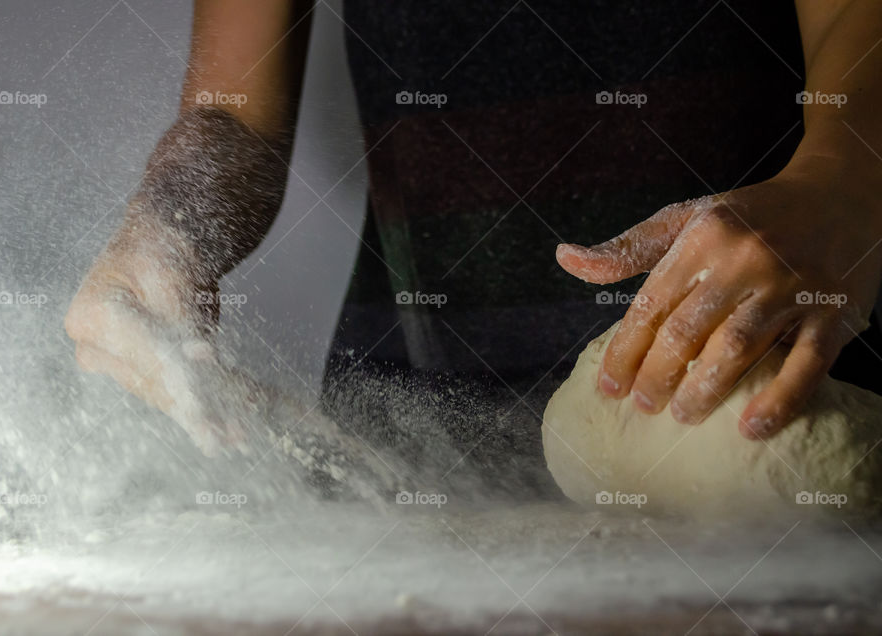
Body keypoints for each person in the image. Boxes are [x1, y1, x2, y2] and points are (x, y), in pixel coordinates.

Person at [65, 0, 882, 491]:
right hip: (412, 434)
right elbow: (235, 108)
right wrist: (167, 229)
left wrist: (841, 176)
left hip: (770, 347)